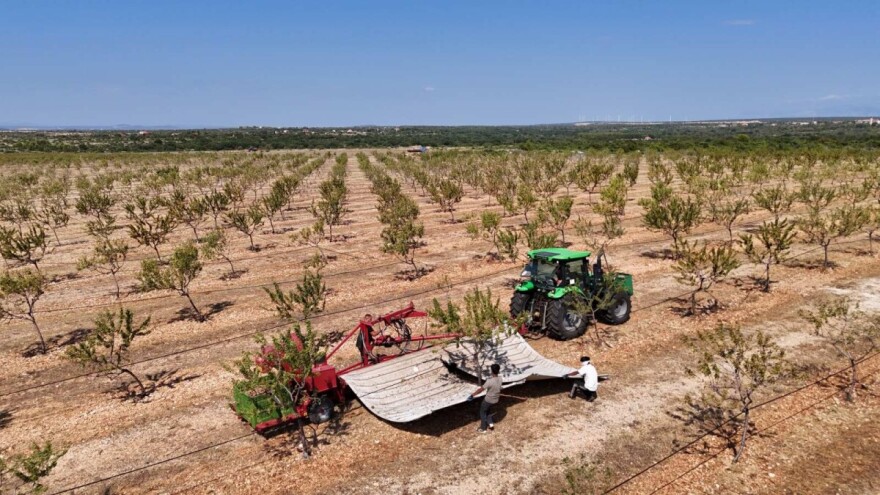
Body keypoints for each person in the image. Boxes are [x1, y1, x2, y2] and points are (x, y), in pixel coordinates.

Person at [468, 363, 503, 433]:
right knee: (488, 411)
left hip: (488, 400)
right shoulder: (501, 379)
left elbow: (480, 390)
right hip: (496, 400)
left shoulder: (489, 381)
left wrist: (472, 395)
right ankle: (490, 424)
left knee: (482, 412)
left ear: (491, 371)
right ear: (498, 371)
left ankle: (483, 429)